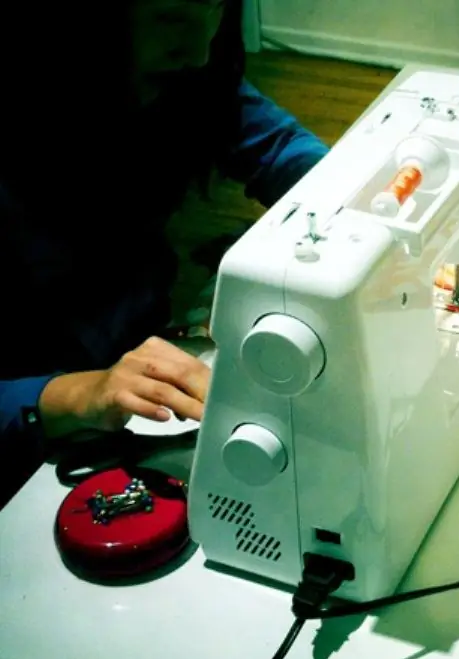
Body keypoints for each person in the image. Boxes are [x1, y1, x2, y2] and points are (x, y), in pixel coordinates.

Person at [0, 0, 329, 505]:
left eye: (213, 5)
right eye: (168, 16)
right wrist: (75, 394)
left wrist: (352, 198)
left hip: (139, 355)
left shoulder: (186, 80)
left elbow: (282, 149)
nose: (199, 50)